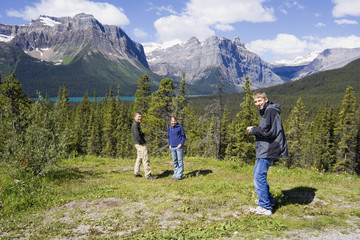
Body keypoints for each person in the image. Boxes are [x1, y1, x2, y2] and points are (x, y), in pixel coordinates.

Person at [246, 91, 288, 215]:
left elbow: (270, 132)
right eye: (255, 102)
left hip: (269, 148)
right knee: (257, 173)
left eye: (259, 101)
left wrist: (253, 130)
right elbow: (268, 129)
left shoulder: (270, 111)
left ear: (265, 99)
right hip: (267, 148)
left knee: (259, 176)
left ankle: (265, 207)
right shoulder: (268, 111)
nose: (257, 104)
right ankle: (268, 200)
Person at [131, 112, 155, 180]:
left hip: (137, 144)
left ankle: (136, 173)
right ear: (135, 117)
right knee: (145, 159)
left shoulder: (136, 124)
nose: (140, 118)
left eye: (140, 116)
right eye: (138, 117)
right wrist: (142, 143)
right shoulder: (135, 125)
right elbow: (137, 136)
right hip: (140, 144)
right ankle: (148, 175)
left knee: (139, 159)